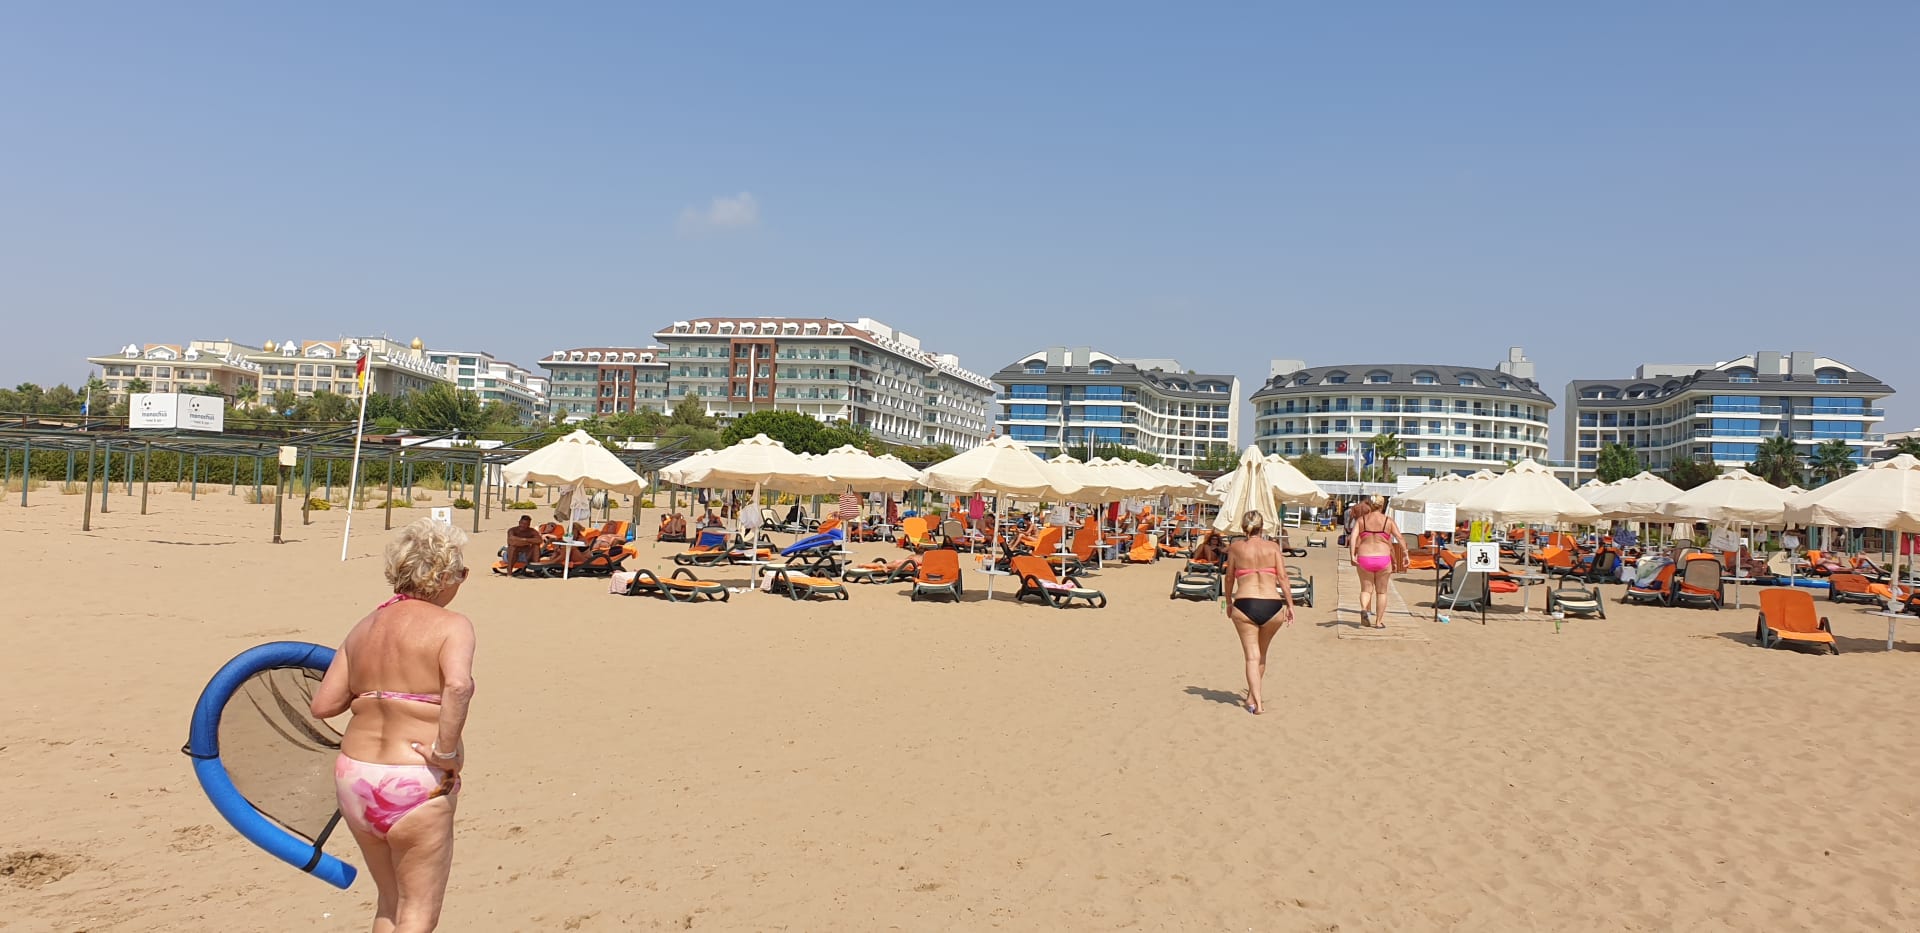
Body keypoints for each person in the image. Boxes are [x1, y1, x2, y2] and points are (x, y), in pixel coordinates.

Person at [311, 518, 477, 933]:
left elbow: (324, 705)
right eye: (461, 572)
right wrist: (446, 751)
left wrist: (374, 689)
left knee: (389, 902)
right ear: (443, 576)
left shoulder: (364, 627)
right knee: (418, 911)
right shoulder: (452, 625)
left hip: (356, 775)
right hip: (415, 779)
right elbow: (459, 686)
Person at [1221, 510, 1295, 715]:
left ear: (1243, 527)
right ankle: (1252, 697)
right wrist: (1290, 605)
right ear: (1262, 527)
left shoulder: (1236, 548)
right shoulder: (1273, 547)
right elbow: (1283, 577)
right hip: (1272, 605)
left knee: (1251, 657)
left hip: (1245, 603)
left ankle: (1257, 703)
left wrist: (1228, 602)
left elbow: (1229, 578)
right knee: (1262, 655)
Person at [1350, 495, 1404, 628]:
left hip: (1364, 557)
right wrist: (1406, 553)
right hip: (1383, 558)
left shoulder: (1362, 520)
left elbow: (1353, 537)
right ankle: (1378, 622)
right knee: (1382, 592)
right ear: (1382, 505)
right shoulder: (1388, 521)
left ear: (1370, 505)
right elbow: (1399, 537)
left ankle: (1364, 608)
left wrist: (1352, 555)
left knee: (1366, 590)